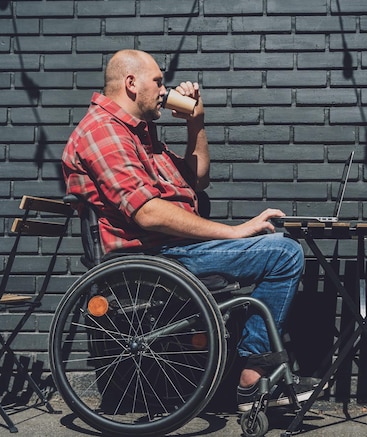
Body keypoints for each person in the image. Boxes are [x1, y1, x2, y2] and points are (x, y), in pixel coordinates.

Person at [61, 49, 314, 411]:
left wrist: (196, 120)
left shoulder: (140, 135)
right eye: (158, 82)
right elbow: (147, 214)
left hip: (173, 252)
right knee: (283, 253)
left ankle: (254, 372)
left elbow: (197, 179)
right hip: (154, 259)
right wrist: (232, 232)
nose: (164, 91)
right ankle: (254, 377)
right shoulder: (104, 132)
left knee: (276, 246)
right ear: (131, 84)